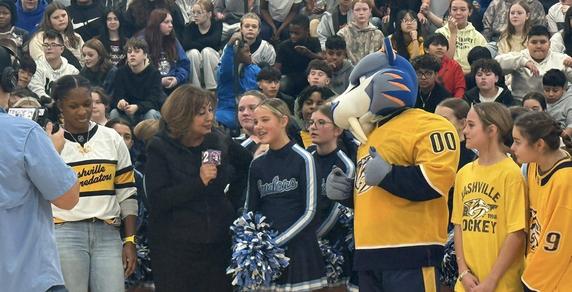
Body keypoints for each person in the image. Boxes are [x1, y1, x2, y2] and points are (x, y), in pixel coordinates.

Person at [325, 47, 460, 291]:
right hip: (368, 254)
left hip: (412, 251)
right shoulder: (370, 135)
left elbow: (436, 182)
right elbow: (377, 192)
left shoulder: (431, 124)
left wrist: (389, 175)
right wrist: (349, 194)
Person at [145, 85, 252, 291]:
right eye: (201, 113)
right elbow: (158, 200)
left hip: (217, 242)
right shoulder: (159, 147)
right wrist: (198, 183)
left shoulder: (217, 139)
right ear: (182, 115)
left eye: (210, 110)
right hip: (174, 248)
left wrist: (231, 200)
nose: (209, 117)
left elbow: (247, 164)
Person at [0, 43, 79, 292]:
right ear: (9, 80)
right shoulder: (24, 133)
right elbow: (68, 198)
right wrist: (52, 151)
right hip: (28, 277)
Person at [51, 74, 138, 292]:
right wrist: (54, 150)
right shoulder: (48, 141)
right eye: (73, 106)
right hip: (64, 231)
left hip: (107, 232)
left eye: (87, 104)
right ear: (60, 105)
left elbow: (126, 193)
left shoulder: (112, 138)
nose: (82, 111)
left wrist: (129, 239)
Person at [245, 98, 328, 290]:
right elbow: (249, 212)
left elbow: (311, 212)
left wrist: (275, 243)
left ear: (283, 121)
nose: (259, 126)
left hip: (299, 252)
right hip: (267, 257)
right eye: (256, 122)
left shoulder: (304, 159)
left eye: (265, 120)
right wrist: (252, 246)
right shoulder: (256, 164)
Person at [452, 102, 527, 292]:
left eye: (471, 125)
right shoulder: (463, 173)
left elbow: (517, 234)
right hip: (467, 282)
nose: (465, 130)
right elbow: (458, 225)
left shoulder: (511, 174)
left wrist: (492, 280)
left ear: (492, 130)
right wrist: (462, 272)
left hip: (500, 283)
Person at [511, 111, 572, 291]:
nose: (512, 148)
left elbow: (557, 246)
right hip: (535, 271)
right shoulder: (532, 165)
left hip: (556, 281)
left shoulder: (566, 180)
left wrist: (531, 283)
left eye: (517, 142)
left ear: (539, 144)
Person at [307, 104, 355, 290]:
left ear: (337, 130)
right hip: (306, 240)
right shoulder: (305, 157)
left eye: (321, 123)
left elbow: (338, 211)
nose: (313, 127)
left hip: (333, 246)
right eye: (311, 123)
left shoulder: (345, 165)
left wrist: (312, 238)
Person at [496, 25, 572, 101]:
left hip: (555, 105)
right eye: (534, 42)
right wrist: (523, 62)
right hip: (521, 104)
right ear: (527, 44)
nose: (538, 46)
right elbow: (495, 65)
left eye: (543, 42)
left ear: (549, 44)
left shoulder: (562, 59)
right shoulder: (519, 57)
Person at [110, 38, 163, 123]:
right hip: (126, 113)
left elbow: (155, 101)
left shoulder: (154, 73)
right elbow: (116, 97)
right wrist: (120, 103)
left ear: (145, 55)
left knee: (151, 113)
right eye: (129, 52)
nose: (132, 55)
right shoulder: (120, 72)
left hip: (145, 112)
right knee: (114, 113)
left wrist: (138, 107)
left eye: (137, 51)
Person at [216, 32, 261, 130]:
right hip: (228, 110)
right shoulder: (224, 71)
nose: (250, 54)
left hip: (251, 110)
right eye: (246, 51)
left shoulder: (255, 69)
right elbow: (226, 69)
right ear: (236, 54)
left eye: (250, 51)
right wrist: (230, 45)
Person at [142, 8, 190, 92]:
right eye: (166, 22)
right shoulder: (143, 41)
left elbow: (184, 65)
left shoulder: (173, 41)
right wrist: (159, 81)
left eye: (171, 22)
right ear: (156, 24)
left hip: (174, 86)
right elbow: (140, 72)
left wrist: (177, 79)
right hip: (151, 89)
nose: (171, 25)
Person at [276, 14, 322, 96]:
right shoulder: (283, 45)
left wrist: (308, 53)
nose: (293, 36)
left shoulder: (314, 42)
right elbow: (277, 68)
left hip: (308, 77)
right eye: (291, 32)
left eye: (296, 33)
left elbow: (321, 60)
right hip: (289, 77)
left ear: (307, 31)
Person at [435, 0, 487, 73]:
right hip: (446, 75)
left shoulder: (478, 37)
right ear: (450, 11)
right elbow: (444, 62)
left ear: (470, 12)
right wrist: (453, 34)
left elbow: (483, 65)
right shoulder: (440, 33)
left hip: (471, 77)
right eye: (454, 9)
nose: (458, 13)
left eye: (463, 10)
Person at [28, 29, 79, 102]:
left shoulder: (72, 71)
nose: (49, 48)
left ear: (62, 49)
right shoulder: (35, 67)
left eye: (53, 45)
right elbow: (37, 91)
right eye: (46, 45)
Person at [28, 2, 84, 68]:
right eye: (56, 17)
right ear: (48, 20)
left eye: (63, 15)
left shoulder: (76, 37)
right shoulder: (39, 38)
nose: (61, 19)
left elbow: (84, 60)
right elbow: (40, 62)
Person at [182, 0, 222, 90]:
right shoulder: (190, 27)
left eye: (199, 12)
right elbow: (185, 44)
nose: (195, 15)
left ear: (209, 14)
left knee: (207, 51)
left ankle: (212, 88)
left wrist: (196, 43)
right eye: (193, 12)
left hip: (211, 61)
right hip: (196, 61)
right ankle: (195, 88)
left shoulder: (217, 24)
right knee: (192, 53)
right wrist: (205, 43)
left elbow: (214, 42)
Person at [337, 0, 384, 65]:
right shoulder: (342, 34)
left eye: (364, 9)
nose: (361, 13)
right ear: (353, 12)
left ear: (370, 11)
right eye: (357, 10)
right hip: (350, 72)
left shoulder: (378, 34)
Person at [424, 33, 466, 98]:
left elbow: (460, 89)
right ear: (426, 49)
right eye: (435, 44)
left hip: (449, 103)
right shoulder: (420, 65)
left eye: (443, 45)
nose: (440, 47)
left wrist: (454, 104)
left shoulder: (454, 65)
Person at [542, 69, 572, 137]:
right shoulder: (540, 99)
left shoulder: (570, 101)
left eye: (555, 91)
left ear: (564, 88)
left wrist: (564, 137)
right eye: (547, 90)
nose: (551, 94)